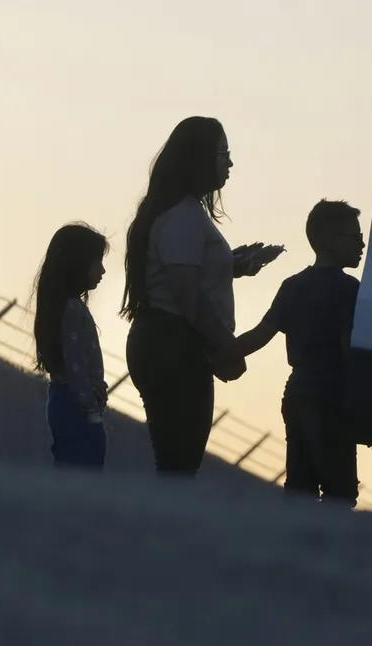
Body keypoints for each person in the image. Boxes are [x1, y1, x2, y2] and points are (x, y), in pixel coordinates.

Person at [120, 116, 283, 476]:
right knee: (179, 464)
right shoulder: (184, 218)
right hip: (175, 347)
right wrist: (229, 347)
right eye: (223, 154)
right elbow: (188, 297)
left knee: (174, 460)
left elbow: (187, 277)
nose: (230, 163)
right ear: (199, 159)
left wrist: (232, 265)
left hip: (168, 344)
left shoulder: (178, 214)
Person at [226, 199, 364, 506]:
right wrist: (366, 406)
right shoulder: (349, 290)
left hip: (298, 392)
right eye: (354, 236)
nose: (362, 244)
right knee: (339, 494)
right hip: (332, 396)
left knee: (299, 488)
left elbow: (260, 335)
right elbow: (349, 350)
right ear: (328, 239)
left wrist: (219, 353)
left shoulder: (293, 285)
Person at [31, 223, 111, 470]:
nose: (103, 270)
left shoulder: (64, 308)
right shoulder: (73, 310)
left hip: (66, 400)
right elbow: (76, 366)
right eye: (97, 261)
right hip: (75, 404)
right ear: (78, 263)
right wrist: (91, 403)